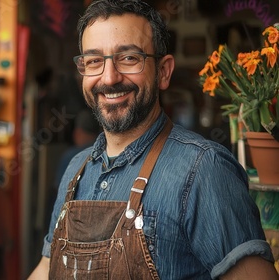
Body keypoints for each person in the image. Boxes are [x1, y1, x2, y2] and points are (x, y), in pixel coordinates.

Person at [28, 0, 278, 279]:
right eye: (94, 61)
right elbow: (45, 268)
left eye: (129, 58)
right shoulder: (76, 169)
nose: (109, 78)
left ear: (163, 72)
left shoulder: (204, 169)